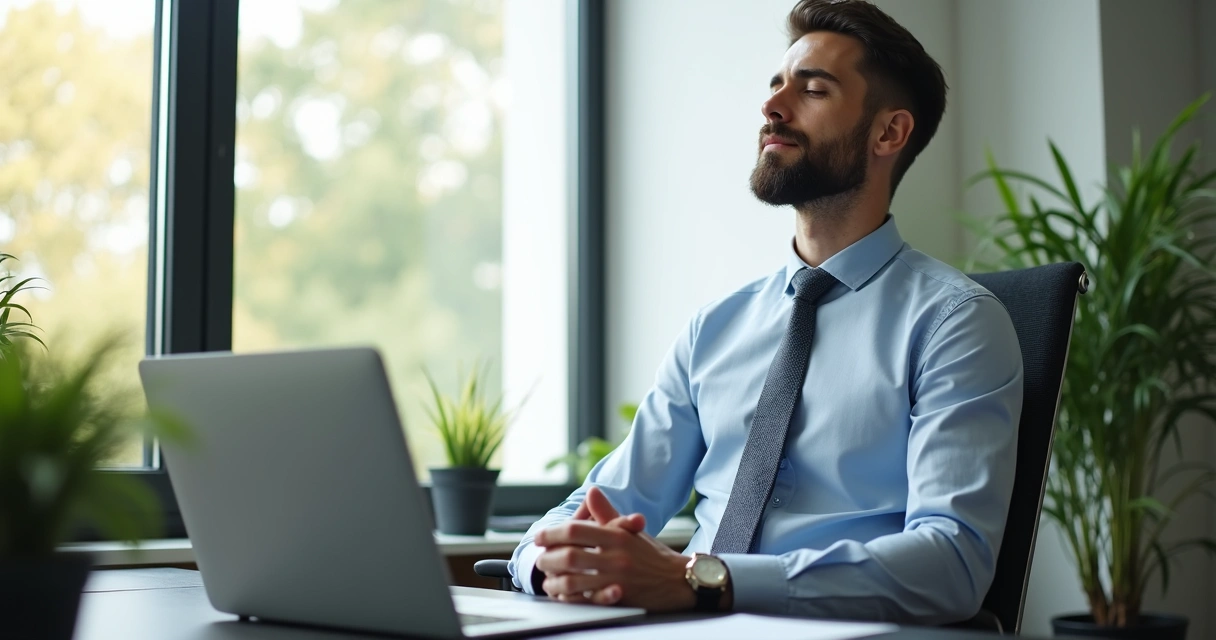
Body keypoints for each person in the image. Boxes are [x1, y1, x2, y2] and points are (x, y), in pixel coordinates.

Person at [508, 0, 1023, 625]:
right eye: (776, 86)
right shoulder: (716, 329)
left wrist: (703, 581)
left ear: (889, 133)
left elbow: (952, 565)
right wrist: (545, 562)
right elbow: (591, 509)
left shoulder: (955, 323)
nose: (773, 108)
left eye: (813, 90)